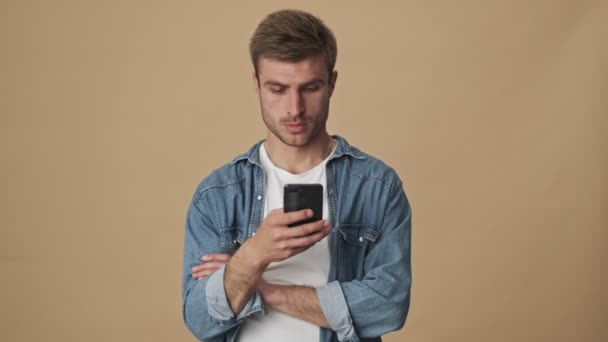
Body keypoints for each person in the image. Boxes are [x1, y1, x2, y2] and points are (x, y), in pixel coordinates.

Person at [182, 9, 412, 342]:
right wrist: (256, 252)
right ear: (256, 85)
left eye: (310, 88)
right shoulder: (217, 195)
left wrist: (261, 287)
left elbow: (388, 306)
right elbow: (200, 320)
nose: (294, 109)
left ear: (332, 83)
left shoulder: (377, 187)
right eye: (277, 90)